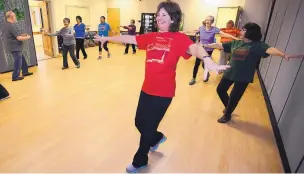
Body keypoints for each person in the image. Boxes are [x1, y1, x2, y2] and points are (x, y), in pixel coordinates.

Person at [94, 1, 230, 173]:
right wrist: (107, 38)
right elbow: (130, 38)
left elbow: (194, 47)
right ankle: (157, 138)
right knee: (139, 122)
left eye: (163, 15)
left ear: (173, 18)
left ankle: (140, 161)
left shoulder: (179, 38)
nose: (159, 18)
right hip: (146, 89)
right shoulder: (151, 36)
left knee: (147, 129)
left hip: (163, 93)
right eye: (158, 15)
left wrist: (207, 59)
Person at [203, 22, 303, 124]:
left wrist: (283, 54)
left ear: (250, 32)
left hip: (243, 76)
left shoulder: (258, 45)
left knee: (234, 96)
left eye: (244, 30)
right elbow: (219, 45)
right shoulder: (236, 42)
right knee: (220, 89)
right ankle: (229, 108)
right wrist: (205, 45)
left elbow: (270, 49)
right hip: (230, 72)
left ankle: (227, 114)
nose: (241, 31)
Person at [184, 16, 239, 85]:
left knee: (205, 63)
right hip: (200, 48)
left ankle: (207, 74)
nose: (207, 21)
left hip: (209, 49)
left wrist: (236, 39)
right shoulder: (201, 28)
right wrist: (181, 31)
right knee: (197, 63)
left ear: (212, 22)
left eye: (209, 20)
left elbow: (225, 34)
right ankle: (193, 78)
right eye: (206, 20)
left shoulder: (214, 29)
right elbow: (192, 30)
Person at [4, 11, 34, 81]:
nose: (15, 17)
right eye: (15, 16)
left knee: (21, 59)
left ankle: (25, 72)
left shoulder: (7, 25)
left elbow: (14, 36)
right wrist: (28, 37)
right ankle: (15, 76)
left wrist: (22, 35)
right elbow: (18, 38)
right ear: (12, 17)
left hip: (14, 46)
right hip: (14, 47)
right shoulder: (10, 26)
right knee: (18, 61)